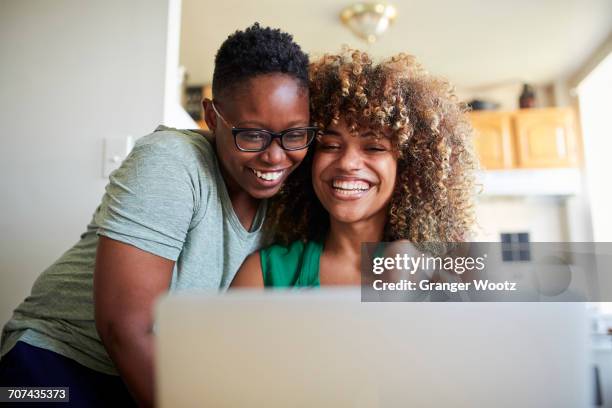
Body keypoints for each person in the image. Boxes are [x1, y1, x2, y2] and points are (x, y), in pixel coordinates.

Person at [0, 23, 315, 406]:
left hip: (153, 376)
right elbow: (125, 329)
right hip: (54, 364)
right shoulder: (171, 161)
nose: (275, 156)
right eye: (251, 135)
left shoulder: (291, 199)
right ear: (213, 118)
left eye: (295, 135)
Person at [231, 49, 476, 288]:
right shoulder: (265, 275)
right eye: (330, 145)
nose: (347, 163)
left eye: (374, 148)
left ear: (409, 167)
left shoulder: (448, 270)